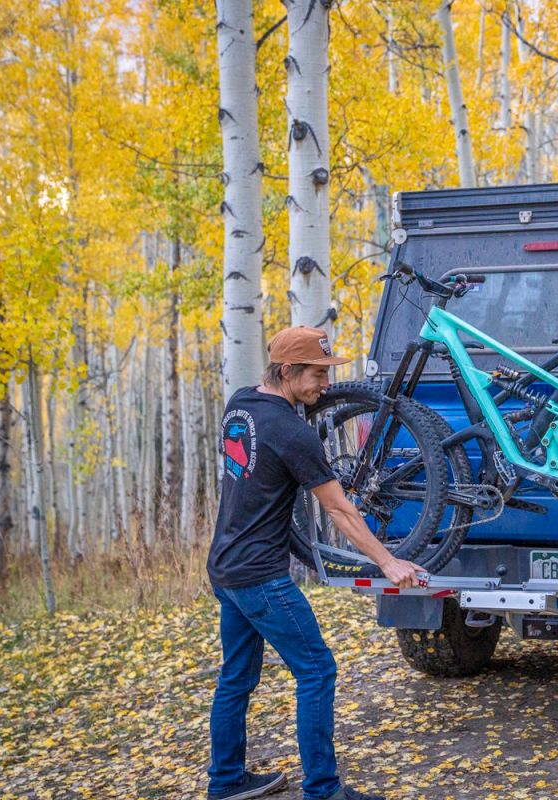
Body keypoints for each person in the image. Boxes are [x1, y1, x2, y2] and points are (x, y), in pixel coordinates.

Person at [206, 326, 421, 800]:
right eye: (317, 374)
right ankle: (323, 791)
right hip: (260, 576)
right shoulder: (291, 431)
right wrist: (387, 561)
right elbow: (340, 509)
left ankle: (225, 783)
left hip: (225, 567)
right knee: (317, 670)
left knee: (236, 677)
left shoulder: (240, 405)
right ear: (287, 372)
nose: (325, 383)